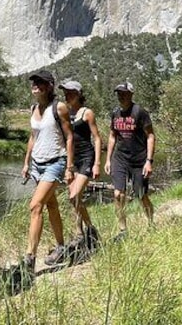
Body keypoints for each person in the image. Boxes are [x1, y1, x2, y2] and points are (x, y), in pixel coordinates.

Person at [20, 69, 74, 275]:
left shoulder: (59, 108)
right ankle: (61, 247)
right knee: (51, 205)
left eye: (40, 82)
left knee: (35, 206)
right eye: (34, 82)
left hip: (55, 163)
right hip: (37, 164)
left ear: (49, 86)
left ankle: (29, 259)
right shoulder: (33, 108)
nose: (35, 85)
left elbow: (69, 137)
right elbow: (33, 137)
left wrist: (69, 167)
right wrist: (26, 163)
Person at [104, 82, 155, 241]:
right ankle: (123, 231)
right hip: (120, 159)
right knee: (118, 194)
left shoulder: (140, 112)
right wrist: (108, 160)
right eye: (119, 93)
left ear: (131, 94)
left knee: (141, 195)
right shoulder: (115, 113)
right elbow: (112, 136)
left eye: (124, 93)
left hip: (139, 160)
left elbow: (150, 136)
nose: (121, 96)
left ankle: (151, 222)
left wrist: (149, 161)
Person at [59, 80, 102, 256]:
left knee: (74, 195)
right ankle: (81, 233)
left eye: (71, 93)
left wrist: (97, 163)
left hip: (86, 158)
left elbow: (97, 138)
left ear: (79, 94)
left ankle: (89, 229)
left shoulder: (87, 113)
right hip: (72, 160)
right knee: (74, 199)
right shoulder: (65, 113)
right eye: (66, 93)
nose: (67, 96)